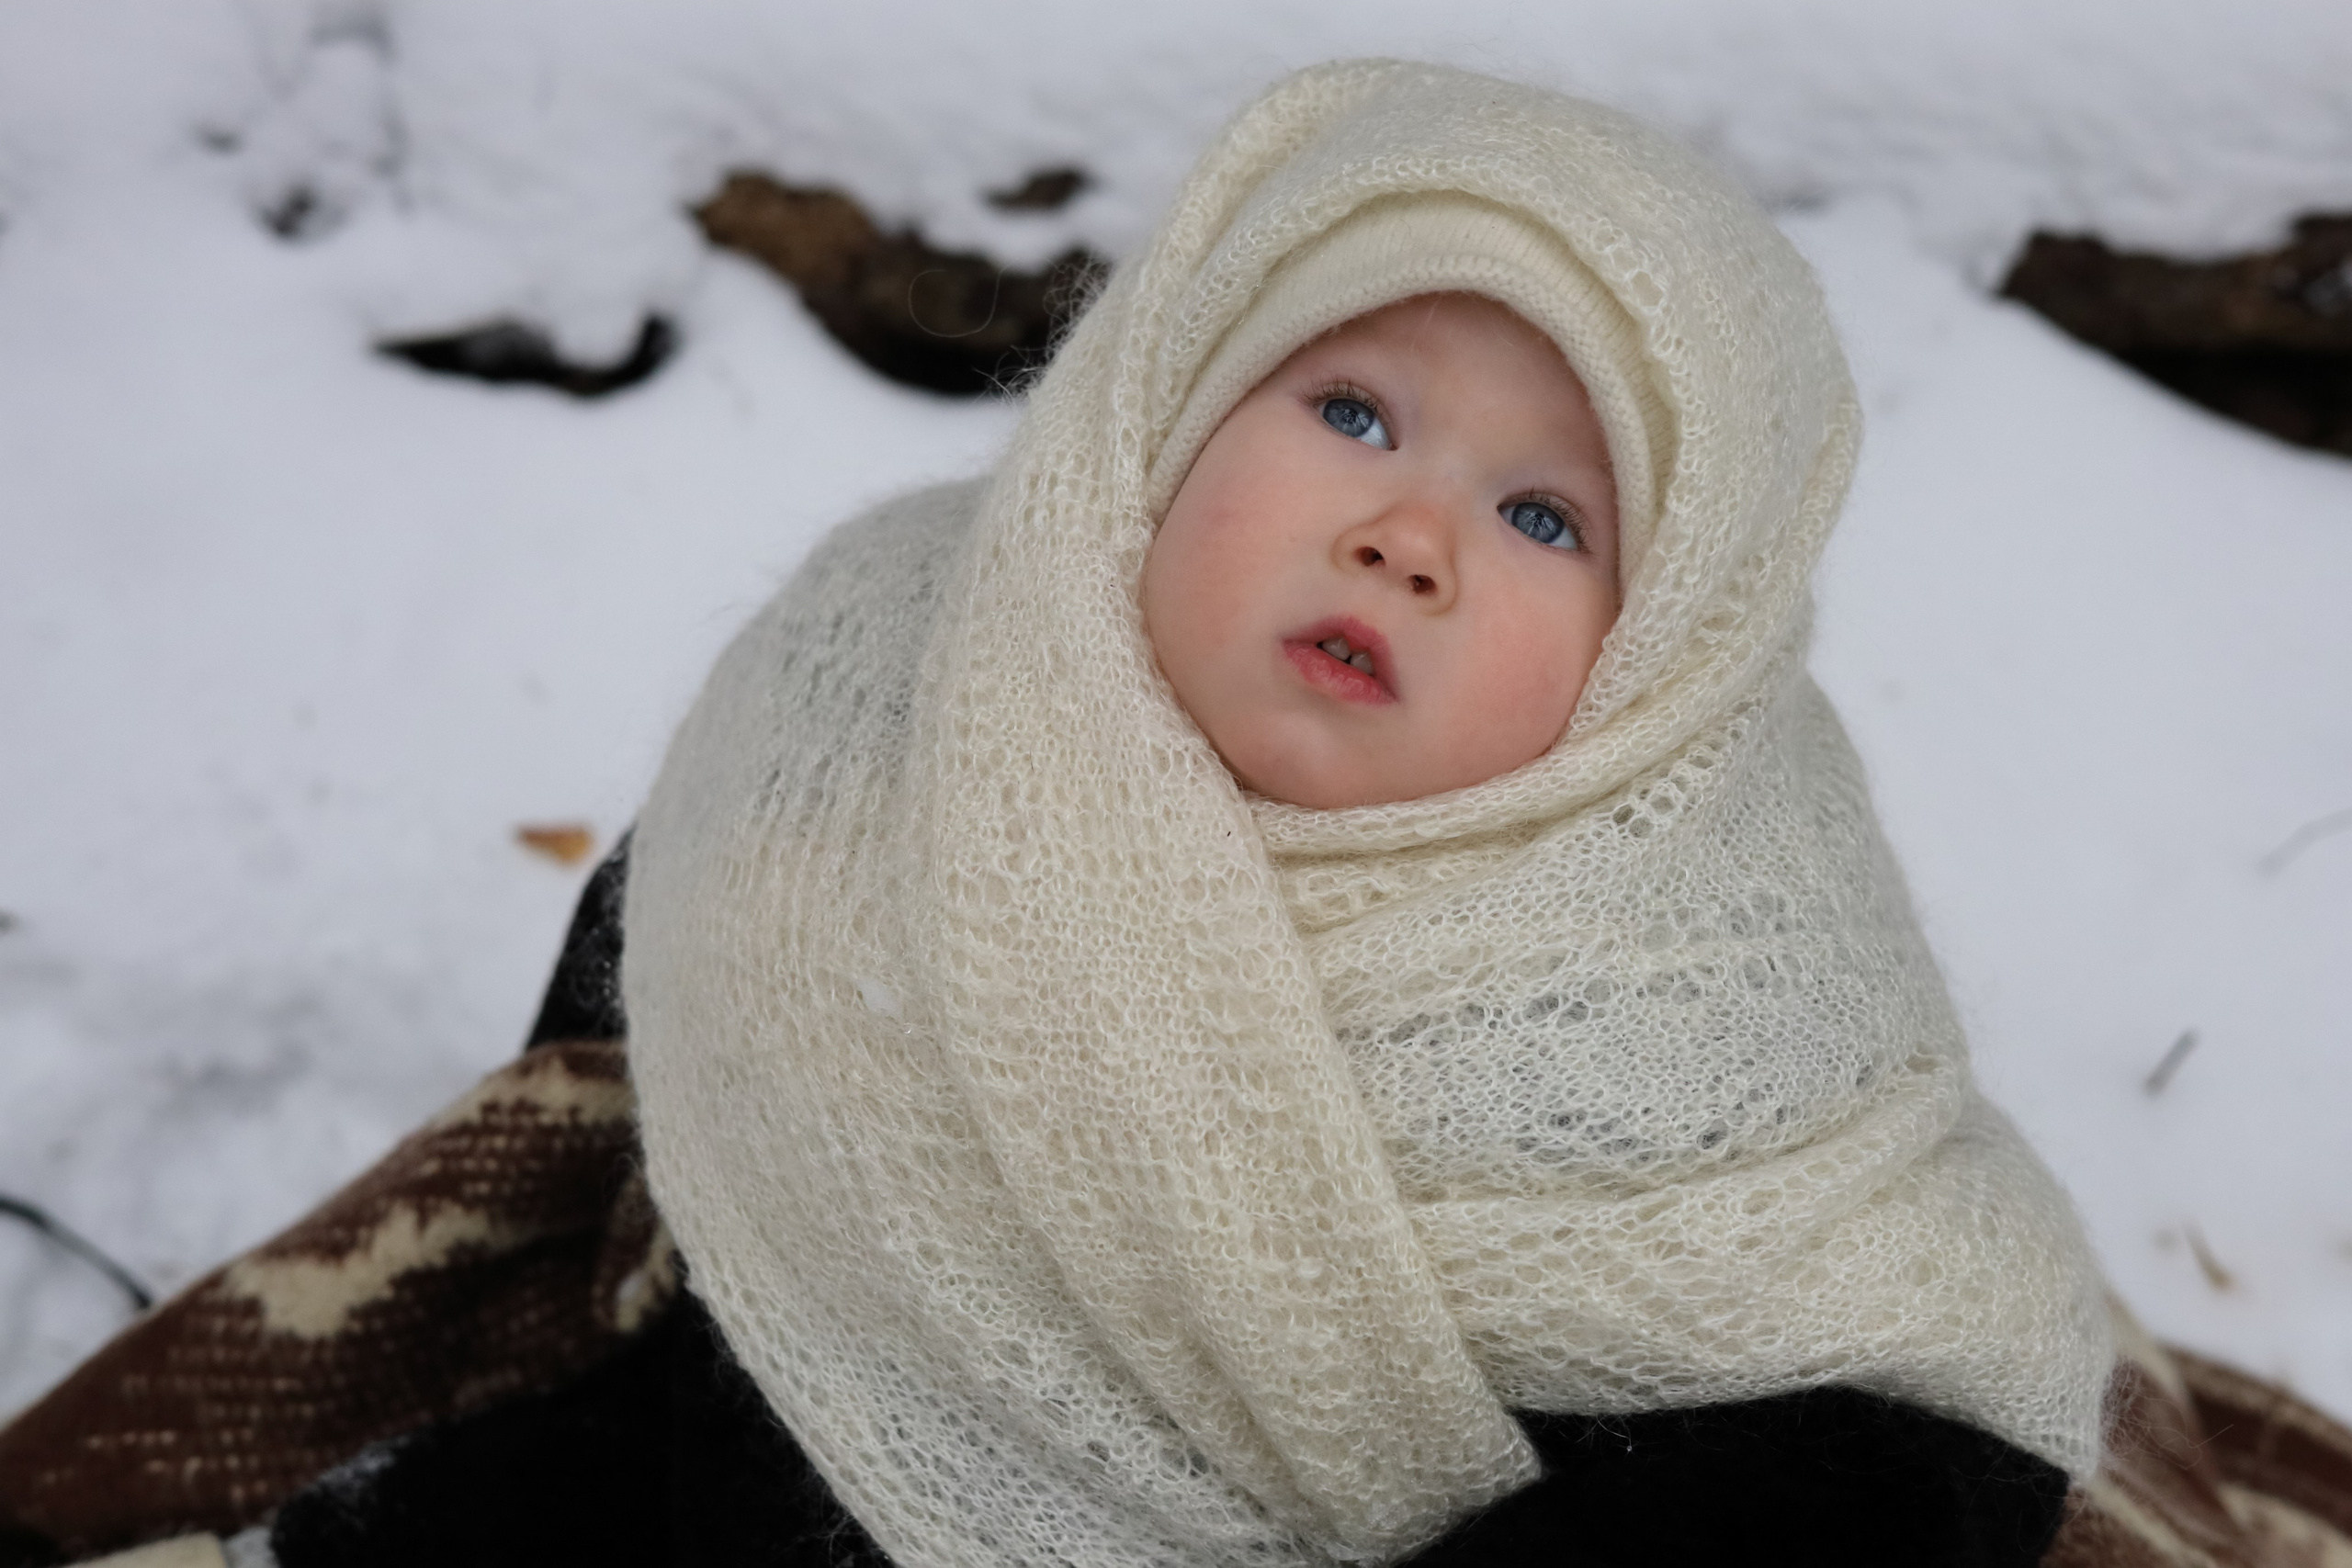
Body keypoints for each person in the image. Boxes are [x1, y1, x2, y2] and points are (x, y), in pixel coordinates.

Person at [30, 56, 2290, 1568]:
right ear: (1158, 404)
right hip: (797, 1424)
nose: (1410, 533)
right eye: (1345, 404)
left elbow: (1897, 1389)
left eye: (1540, 510)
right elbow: (651, 1047)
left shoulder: (1709, 946)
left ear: (1667, 658)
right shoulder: (879, 696)